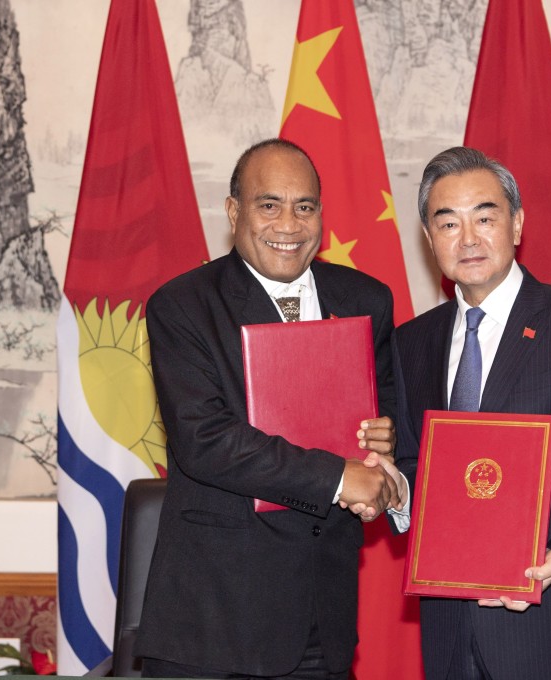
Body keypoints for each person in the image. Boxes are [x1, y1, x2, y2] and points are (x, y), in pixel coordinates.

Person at [134, 138, 401, 679]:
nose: (289, 224)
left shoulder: (366, 300)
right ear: (234, 212)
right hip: (213, 624)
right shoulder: (183, 305)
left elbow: (392, 420)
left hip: (322, 617)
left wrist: (385, 458)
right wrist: (339, 478)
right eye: (269, 205)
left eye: (304, 207)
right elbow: (206, 441)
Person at [387, 147, 551, 679]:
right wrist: (394, 491)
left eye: (484, 218)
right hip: (449, 637)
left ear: (517, 224)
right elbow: (420, 466)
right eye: (448, 223)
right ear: (429, 238)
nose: (468, 238)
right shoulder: (412, 342)